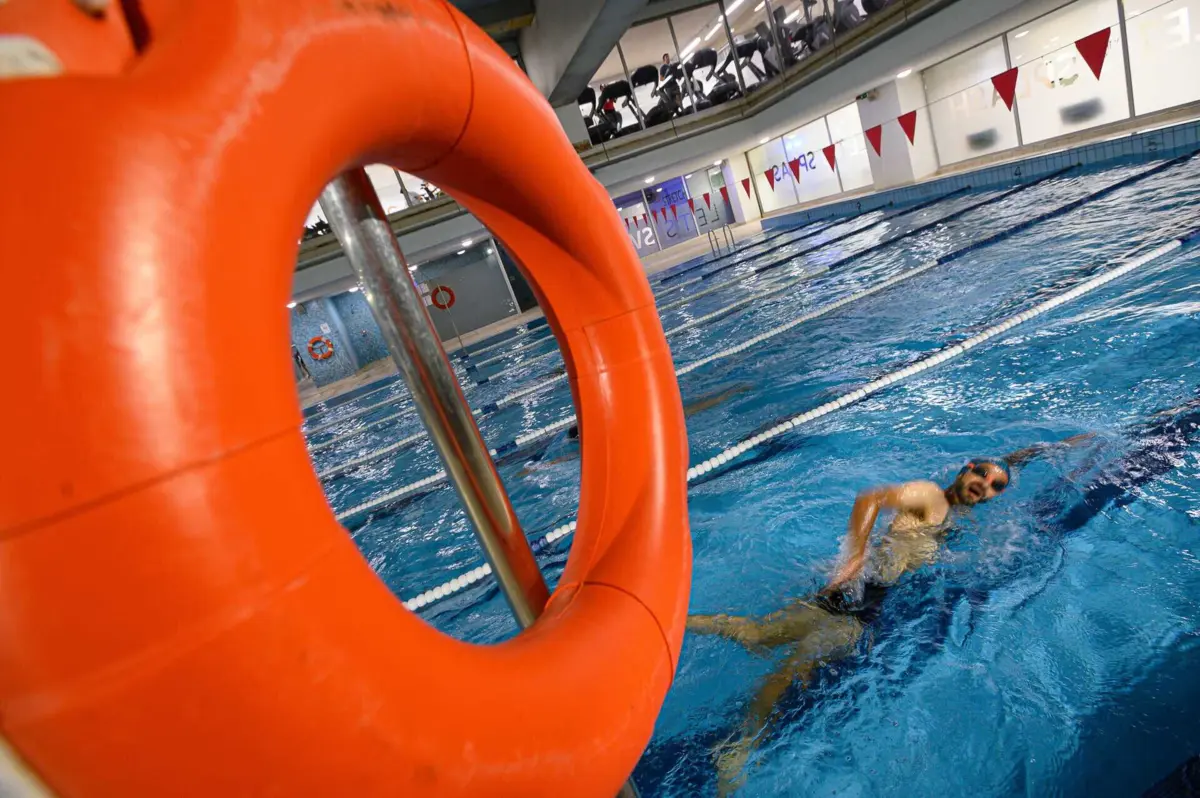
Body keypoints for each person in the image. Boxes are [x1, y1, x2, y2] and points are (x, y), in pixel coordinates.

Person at [687, 434, 1092, 795]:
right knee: (797, 669)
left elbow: (1009, 460)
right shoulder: (930, 496)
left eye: (995, 487)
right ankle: (736, 747)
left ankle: (684, 622)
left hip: (862, 598)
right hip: (855, 595)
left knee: (759, 636)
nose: (985, 487)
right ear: (966, 467)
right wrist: (854, 559)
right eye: (982, 476)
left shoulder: (957, 512)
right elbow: (870, 498)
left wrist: (1052, 448)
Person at [518, 383, 751, 478]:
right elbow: (573, 456)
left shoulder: (625, 427)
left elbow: (693, 408)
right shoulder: (609, 436)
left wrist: (726, 394)